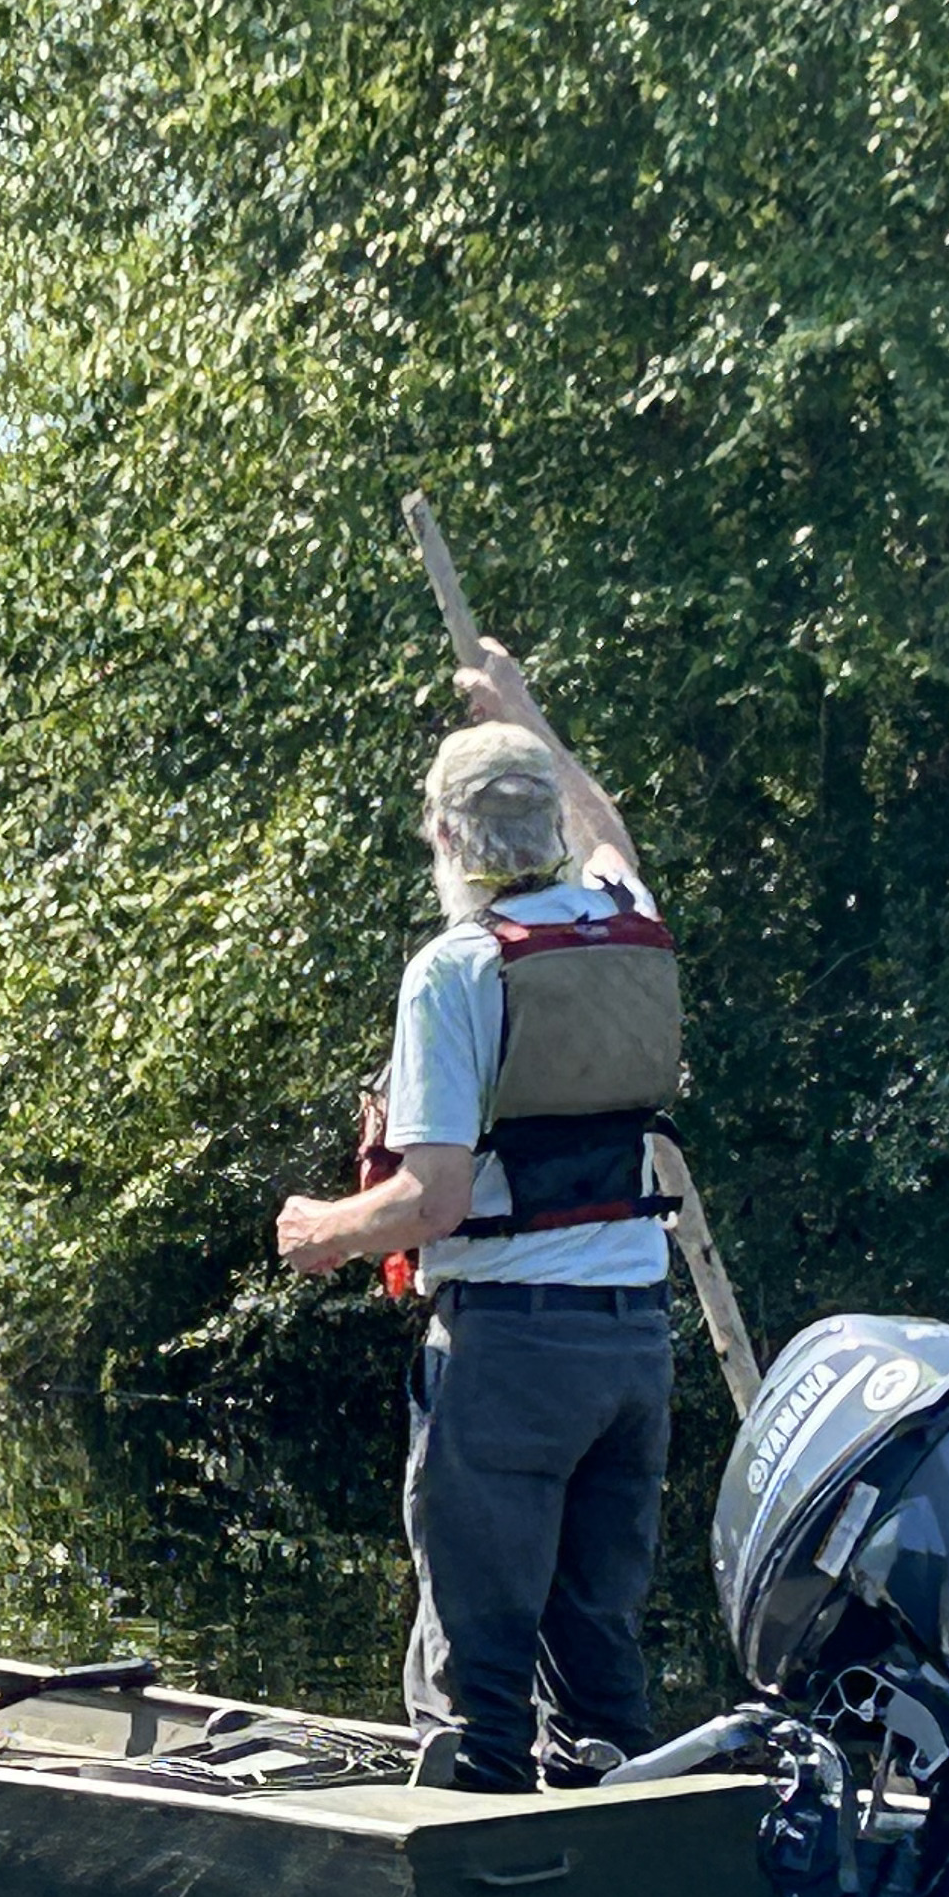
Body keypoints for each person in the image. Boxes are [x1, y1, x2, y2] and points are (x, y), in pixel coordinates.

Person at [274, 638, 679, 1793]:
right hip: (632, 1349)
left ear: (448, 843)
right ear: (544, 827)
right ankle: (617, 1851)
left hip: (511, 1349)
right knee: (598, 1659)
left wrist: (322, 1231)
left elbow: (434, 1197)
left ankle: (471, 1877)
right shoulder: (624, 918)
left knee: (476, 1673)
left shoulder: (457, 970)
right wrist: (527, 713)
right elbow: (611, 834)